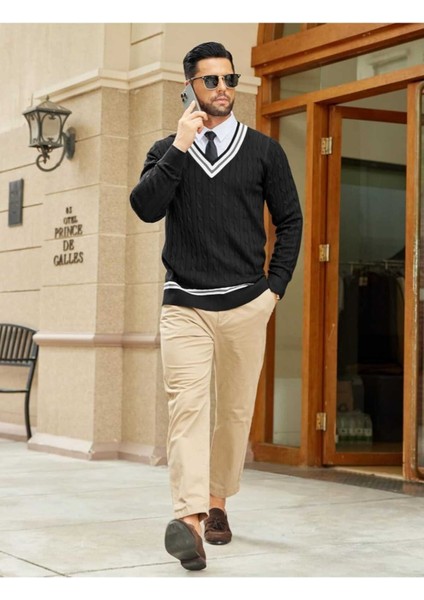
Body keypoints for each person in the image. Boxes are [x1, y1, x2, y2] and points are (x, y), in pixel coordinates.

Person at [130, 41, 302, 571]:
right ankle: (188, 521)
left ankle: (218, 502)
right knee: (187, 409)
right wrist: (181, 146)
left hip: (247, 303)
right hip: (184, 303)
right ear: (189, 87)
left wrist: (274, 290)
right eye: (211, 80)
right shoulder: (166, 150)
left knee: (233, 411)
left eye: (230, 79)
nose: (224, 88)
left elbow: (290, 221)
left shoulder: (264, 150)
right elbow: (145, 207)